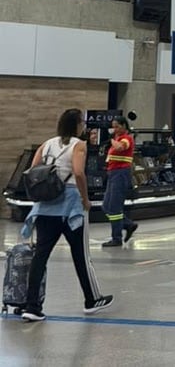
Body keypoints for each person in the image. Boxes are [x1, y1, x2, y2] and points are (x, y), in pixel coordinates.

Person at [20, 108, 113, 321]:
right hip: (70, 206)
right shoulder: (79, 145)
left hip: (45, 207)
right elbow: (78, 172)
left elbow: (33, 171)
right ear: (77, 125)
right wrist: (85, 199)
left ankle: (32, 306)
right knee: (81, 255)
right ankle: (92, 299)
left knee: (40, 255)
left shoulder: (46, 144)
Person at [102, 115, 138, 247]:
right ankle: (128, 224)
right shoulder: (117, 139)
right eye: (113, 127)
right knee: (106, 206)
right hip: (112, 173)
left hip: (120, 174)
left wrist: (111, 139)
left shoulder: (127, 139)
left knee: (114, 207)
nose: (114, 129)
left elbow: (120, 148)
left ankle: (116, 238)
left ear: (124, 126)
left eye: (117, 127)